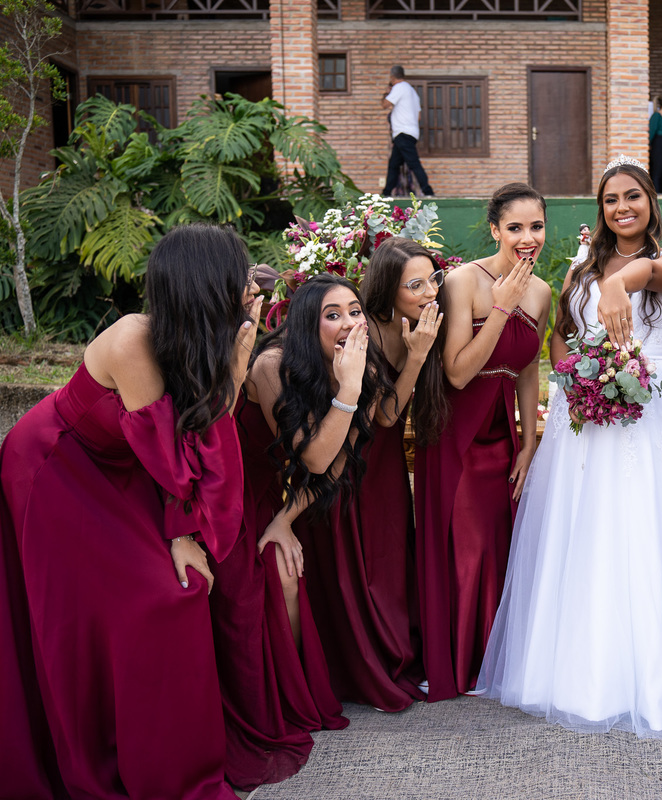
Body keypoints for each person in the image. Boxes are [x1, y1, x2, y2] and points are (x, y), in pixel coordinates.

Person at [478, 158, 662, 740]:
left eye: (633, 196)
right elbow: (560, 335)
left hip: (652, 410)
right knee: (588, 530)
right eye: (611, 199)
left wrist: (619, 284)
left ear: (651, 202)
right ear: (601, 209)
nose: (622, 207)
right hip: (586, 416)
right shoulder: (582, 269)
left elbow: (651, 272)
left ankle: (660, 666)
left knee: (647, 527)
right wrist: (576, 373)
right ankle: (581, 668)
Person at [0, 224, 260, 800]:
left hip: (127, 467)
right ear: (206, 283)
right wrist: (235, 376)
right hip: (55, 470)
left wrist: (233, 365)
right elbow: (177, 465)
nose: (251, 290)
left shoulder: (194, 336)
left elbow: (189, 442)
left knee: (180, 592)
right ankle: (104, 755)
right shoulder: (132, 341)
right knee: (135, 604)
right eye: (240, 278)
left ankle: (166, 757)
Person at [212, 274, 383, 789]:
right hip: (224, 491)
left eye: (354, 311)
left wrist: (284, 521)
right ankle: (257, 699)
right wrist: (349, 388)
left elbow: (338, 464)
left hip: (267, 497)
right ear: (308, 324)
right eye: (333, 315)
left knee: (286, 570)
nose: (349, 323)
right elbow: (312, 457)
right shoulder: (271, 366)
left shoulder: (358, 366)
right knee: (258, 582)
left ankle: (291, 692)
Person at [294, 237, 447, 713]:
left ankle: (399, 654)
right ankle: (367, 665)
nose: (429, 292)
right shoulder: (368, 332)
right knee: (359, 563)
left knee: (392, 557)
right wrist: (416, 356)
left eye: (433, 279)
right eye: (415, 285)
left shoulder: (423, 320)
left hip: (386, 461)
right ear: (389, 289)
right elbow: (385, 415)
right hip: (354, 453)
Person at [415, 183, 551, 701]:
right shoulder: (463, 281)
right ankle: (459, 661)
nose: (527, 237)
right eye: (515, 227)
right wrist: (501, 308)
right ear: (495, 229)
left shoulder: (542, 292)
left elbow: (528, 369)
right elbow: (456, 372)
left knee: (500, 544)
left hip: (504, 431)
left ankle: (494, 661)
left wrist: (529, 441)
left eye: (536, 226)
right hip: (459, 429)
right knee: (466, 547)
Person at [382, 65, 435, 198]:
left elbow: (385, 104)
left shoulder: (399, 87)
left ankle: (428, 191)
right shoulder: (412, 91)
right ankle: (386, 192)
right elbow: (418, 116)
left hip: (402, 132)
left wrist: (387, 93)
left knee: (413, 163)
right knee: (394, 164)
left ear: (392, 77)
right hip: (411, 132)